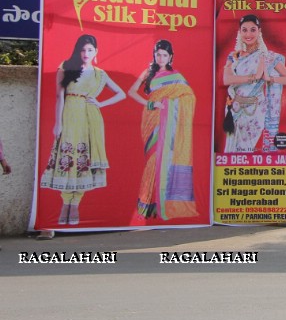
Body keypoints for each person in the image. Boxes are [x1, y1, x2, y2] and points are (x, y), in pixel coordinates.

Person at [39, 34, 126, 226]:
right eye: (83, 49)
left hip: (91, 119)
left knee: (84, 159)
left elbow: (121, 93)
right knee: (68, 157)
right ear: (77, 50)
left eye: (90, 50)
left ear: (96, 52)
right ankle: (65, 203)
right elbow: (59, 97)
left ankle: (76, 203)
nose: (86, 53)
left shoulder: (100, 74)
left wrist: (100, 103)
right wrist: (58, 123)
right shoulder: (66, 67)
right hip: (70, 115)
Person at [128, 39, 198, 220]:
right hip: (152, 120)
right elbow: (131, 92)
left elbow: (189, 97)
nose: (160, 58)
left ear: (170, 57)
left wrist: (168, 103)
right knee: (153, 159)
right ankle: (148, 203)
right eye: (158, 54)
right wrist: (150, 103)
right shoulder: (148, 73)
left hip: (170, 123)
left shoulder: (177, 77)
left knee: (164, 158)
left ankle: (163, 203)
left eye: (164, 55)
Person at [223, 14, 286, 153]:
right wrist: (254, 76)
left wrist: (270, 79)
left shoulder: (268, 57)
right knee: (231, 149)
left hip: (255, 110)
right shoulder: (234, 56)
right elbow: (226, 79)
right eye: (244, 30)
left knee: (245, 150)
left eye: (252, 30)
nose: (248, 34)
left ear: (259, 32)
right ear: (239, 32)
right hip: (234, 108)